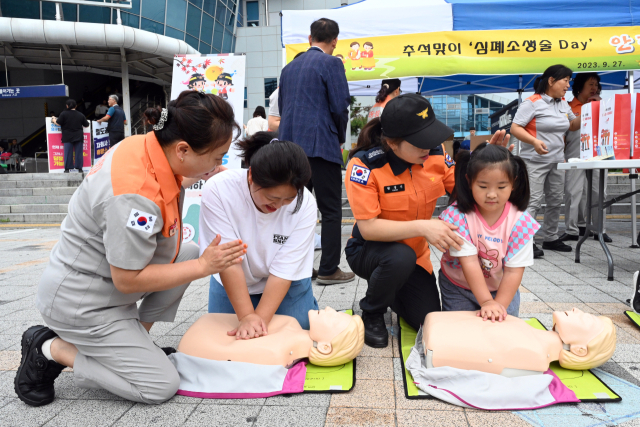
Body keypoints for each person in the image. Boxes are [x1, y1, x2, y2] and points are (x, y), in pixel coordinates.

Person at [15, 91, 247, 407]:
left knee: (188, 252)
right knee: (160, 386)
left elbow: (164, 186)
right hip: (83, 306)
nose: (219, 164)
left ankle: (135, 342)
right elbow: (127, 279)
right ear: (183, 149)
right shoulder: (134, 198)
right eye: (217, 157)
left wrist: (201, 172)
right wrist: (206, 267)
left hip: (100, 287)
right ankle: (49, 348)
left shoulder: (144, 147)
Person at [200, 132, 318, 335]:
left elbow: (284, 269)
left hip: (285, 282)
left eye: (288, 199)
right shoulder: (219, 190)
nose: (279, 206)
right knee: (221, 338)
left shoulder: (305, 203)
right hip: (234, 277)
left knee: (298, 331)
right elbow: (228, 259)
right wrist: (246, 316)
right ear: (251, 175)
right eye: (272, 197)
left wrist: (258, 322)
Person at [278, 18, 353, 285]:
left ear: (310, 39)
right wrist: (339, 137)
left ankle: (297, 268)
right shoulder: (332, 63)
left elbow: (285, 106)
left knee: (294, 209)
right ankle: (329, 269)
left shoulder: (289, 69)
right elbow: (339, 106)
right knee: (330, 209)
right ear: (334, 41)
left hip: (289, 149)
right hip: (321, 145)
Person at [438, 143, 537, 321]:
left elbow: (514, 272)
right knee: (459, 330)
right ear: (469, 181)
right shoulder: (458, 217)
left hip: (501, 287)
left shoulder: (521, 223)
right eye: (483, 187)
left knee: (501, 329)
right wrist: (485, 301)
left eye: (501, 187)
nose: (492, 194)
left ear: (513, 183)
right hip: (458, 286)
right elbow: (469, 263)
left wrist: (498, 305)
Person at [510, 64, 580, 259]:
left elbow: (573, 125)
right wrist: (533, 141)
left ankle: (550, 237)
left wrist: (592, 112)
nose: (568, 85)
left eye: (569, 81)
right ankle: (526, 241)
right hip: (534, 161)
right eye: (565, 80)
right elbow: (515, 128)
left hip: (557, 160)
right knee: (532, 201)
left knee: (555, 200)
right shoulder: (532, 102)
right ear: (551, 81)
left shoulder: (563, 103)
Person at [422, 308, 615, 374]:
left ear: (580, 350)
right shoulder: (527, 332)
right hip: (437, 330)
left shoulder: (534, 354)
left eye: (585, 318)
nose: (576, 310)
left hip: (437, 341)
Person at [177, 307, 364, 367]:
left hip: (194, 342)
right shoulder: (291, 322)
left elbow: (223, 352)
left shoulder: (276, 354)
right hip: (206, 328)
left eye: (334, 317)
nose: (329, 309)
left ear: (324, 347)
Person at [560, 73, 611, 243]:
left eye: (596, 84)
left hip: (598, 153)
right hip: (574, 153)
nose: (594, 88)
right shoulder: (568, 106)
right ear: (580, 86)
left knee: (599, 192)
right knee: (573, 192)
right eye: (590, 84)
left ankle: (599, 230)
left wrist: (599, 106)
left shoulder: (603, 106)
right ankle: (572, 229)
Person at [52, 99, 89, 173]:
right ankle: (80, 169)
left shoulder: (63, 114)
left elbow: (58, 123)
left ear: (67, 106)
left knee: (68, 152)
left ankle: (67, 169)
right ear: (76, 106)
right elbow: (87, 124)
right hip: (78, 136)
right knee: (79, 152)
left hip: (67, 136)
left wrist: (53, 119)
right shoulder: (80, 114)